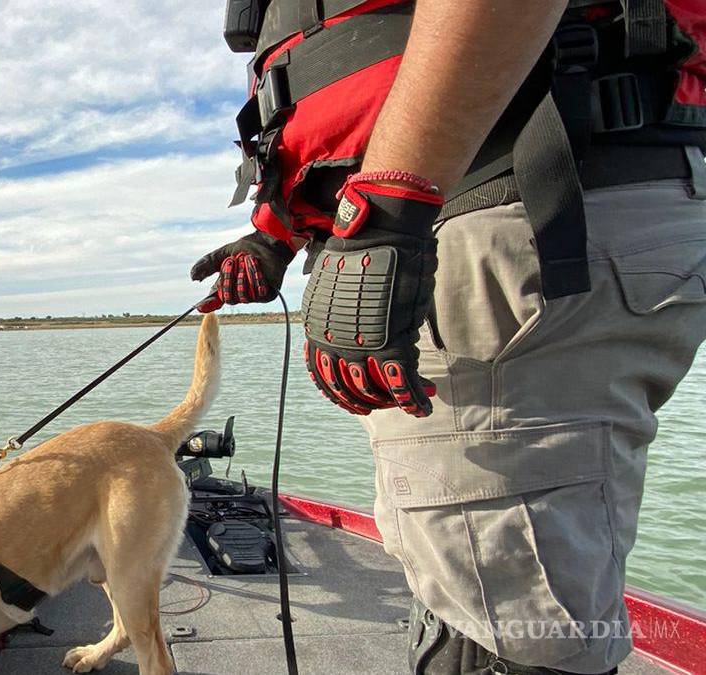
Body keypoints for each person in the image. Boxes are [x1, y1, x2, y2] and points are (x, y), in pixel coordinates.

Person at [193, 0, 706, 673]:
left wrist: (385, 205)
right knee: (466, 591)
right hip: (475, 215)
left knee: (508, 637)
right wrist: (276, 236)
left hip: (518, 202)